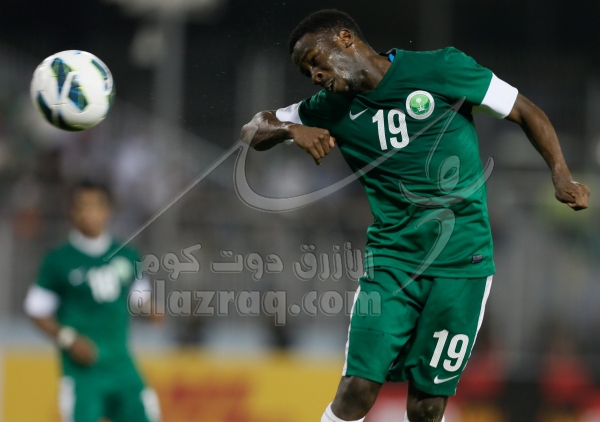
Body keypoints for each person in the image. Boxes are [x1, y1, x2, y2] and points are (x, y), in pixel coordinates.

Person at [240, 9, 590, 422]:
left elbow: (524, 110)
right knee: (357, 389)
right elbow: (253, 128)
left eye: (316, 61)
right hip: (393, 265)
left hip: (462, 264)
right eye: (306, 73)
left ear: (345, 38)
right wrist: (289, 129)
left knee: (427, 405)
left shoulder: (440, 68)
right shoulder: (328, 108)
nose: (315, 76)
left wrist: (561, 175)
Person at [23, 181, 161, 422]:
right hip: (83, 372)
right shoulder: (58, 260)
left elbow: (139, 297)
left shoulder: (126, 254)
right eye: (82, 206)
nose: (89, 213)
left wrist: (151, 310)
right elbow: (36, 311)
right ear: (72, 212)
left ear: (107, 210)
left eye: (95, 206)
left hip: (121, 364)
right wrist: (68, 338)